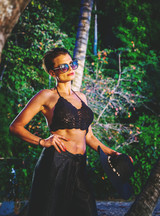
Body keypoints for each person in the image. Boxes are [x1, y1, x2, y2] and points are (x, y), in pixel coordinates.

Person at [9, 48, 120, 216]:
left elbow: (88, 136)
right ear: (53, 72)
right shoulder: (46, 96)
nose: (70, 69)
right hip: (56, 163)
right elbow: (15, 126)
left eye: (71, 64)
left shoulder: (82, 97)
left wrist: (112, 153)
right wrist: (42, 141)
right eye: (63, 67)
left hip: (80, 165)